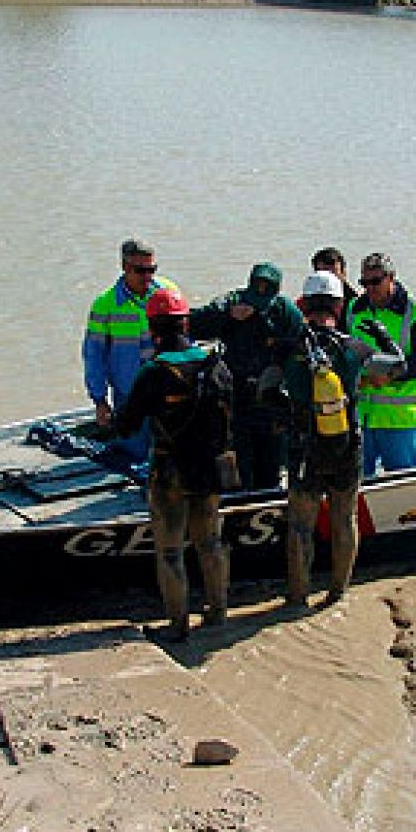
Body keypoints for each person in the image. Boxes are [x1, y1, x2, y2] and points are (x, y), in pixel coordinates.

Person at [113, 288, 234, 641]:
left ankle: (178, 624)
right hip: (211, 469)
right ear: (186, 323)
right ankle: (218, 613)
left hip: (171, 472)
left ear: (153, 330)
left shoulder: (153, 373)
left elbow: (127, 425)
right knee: (210, 543)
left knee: (169, 551)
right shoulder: (217, 366)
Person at [276, 271, 403, 607]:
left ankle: (297, 597)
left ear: (303, 305)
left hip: (304, 448)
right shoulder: (354, 349)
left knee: (301, 525)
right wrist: (385, 338)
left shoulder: (289, 350)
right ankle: (337, 594)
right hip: (346, 446)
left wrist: (290, 413)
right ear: (338, 304)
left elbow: (264, 390)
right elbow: (397, 367)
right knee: (344, 519)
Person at [190, 263, 304, 490]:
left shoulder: (284, 311)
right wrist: (226, 315)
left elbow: (301, 344)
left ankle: (269, 496)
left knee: (270, 465)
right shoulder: (231, 302)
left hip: (272, 399)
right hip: (238, 400)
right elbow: (192, 324)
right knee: (240, 462)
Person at [83, 239, 175, 459]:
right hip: (129, 393)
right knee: (132, 454)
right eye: (140, 270)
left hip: (166, 391)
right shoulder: (105, 304)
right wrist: (100, 400)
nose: (147, 276)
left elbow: (185, 341)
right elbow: (93, 355)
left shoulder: (168, 294)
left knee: (170, 452)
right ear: (124, 267)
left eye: (151, 270)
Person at [349, 253, 416, 476]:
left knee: (401, 485)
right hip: (362, 416)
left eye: (375, 282)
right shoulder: (354, 309)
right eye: (364, 283)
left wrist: (390, 376)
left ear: (391, 278)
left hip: (400, 419)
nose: (369, 288)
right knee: (358, 482)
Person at [300, 247, 358, 331]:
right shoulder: (302, 303)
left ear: (344, 273)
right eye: (322, 273)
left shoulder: (359, 305)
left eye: (333, 273)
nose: (327, 278)